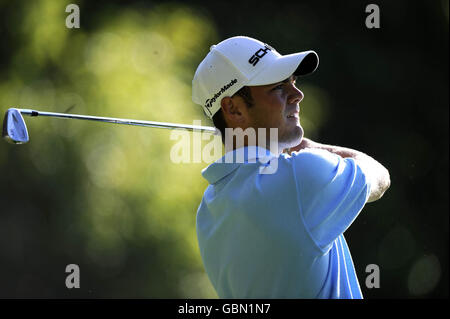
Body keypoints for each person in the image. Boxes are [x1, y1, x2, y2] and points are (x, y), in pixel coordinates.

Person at [191, 36, 390, 299]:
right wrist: (312, 146)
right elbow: (380, 176)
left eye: (292, 83)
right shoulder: (302, 176)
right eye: (278, 87)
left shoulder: (208, 210)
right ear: (233, 108)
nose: (297, 94)